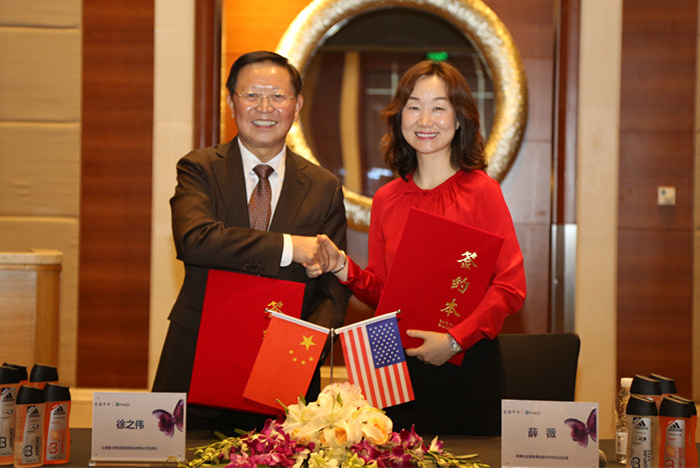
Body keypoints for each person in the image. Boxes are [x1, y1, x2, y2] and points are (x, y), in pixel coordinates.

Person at [314, 59, 526, 436]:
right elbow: (383, 292)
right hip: (396, 367)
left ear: (459, 119)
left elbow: (510, 287)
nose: (425, 119)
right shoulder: (387, 199)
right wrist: (342, 266)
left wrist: (455, 340)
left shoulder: (482, 192)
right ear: (400, 117)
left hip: (467, 364)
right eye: (414, 106)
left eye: (439, 107)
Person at [152, 51, 350, 433]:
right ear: (231, 102)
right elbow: (195, 240)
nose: (265, 108)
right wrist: (290, 247)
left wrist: (305, 347)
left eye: (278, 96)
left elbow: (332, 285)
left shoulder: (323, 186)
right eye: (252, 95)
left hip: (283, 371)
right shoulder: (199, 168)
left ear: (297, 105)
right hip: (198, 360)